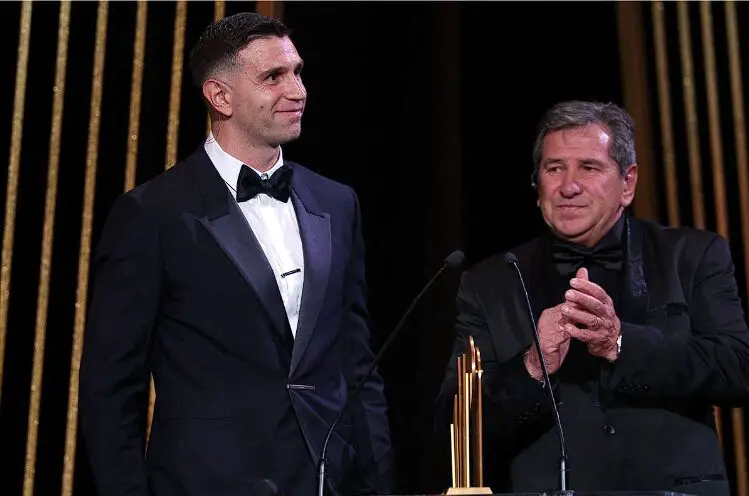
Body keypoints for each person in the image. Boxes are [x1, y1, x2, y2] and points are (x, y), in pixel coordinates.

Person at [79, 12, 392, 496]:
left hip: (329, 482)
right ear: (220, 96)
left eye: (298, 71)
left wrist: (378, 482)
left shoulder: (337, 202)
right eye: (273, 76)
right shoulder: (152, 214)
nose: (298, 90)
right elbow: (112, 388)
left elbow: (357, 363)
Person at [436, 100, 749, 496]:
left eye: (589, 167)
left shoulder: (692, 255)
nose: (569, 186)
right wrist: (532, 366)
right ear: (537, 186)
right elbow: (455, 419)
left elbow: (737, 368)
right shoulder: (489, 283)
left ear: (628, 183)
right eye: (554, 169)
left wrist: (621, 343)